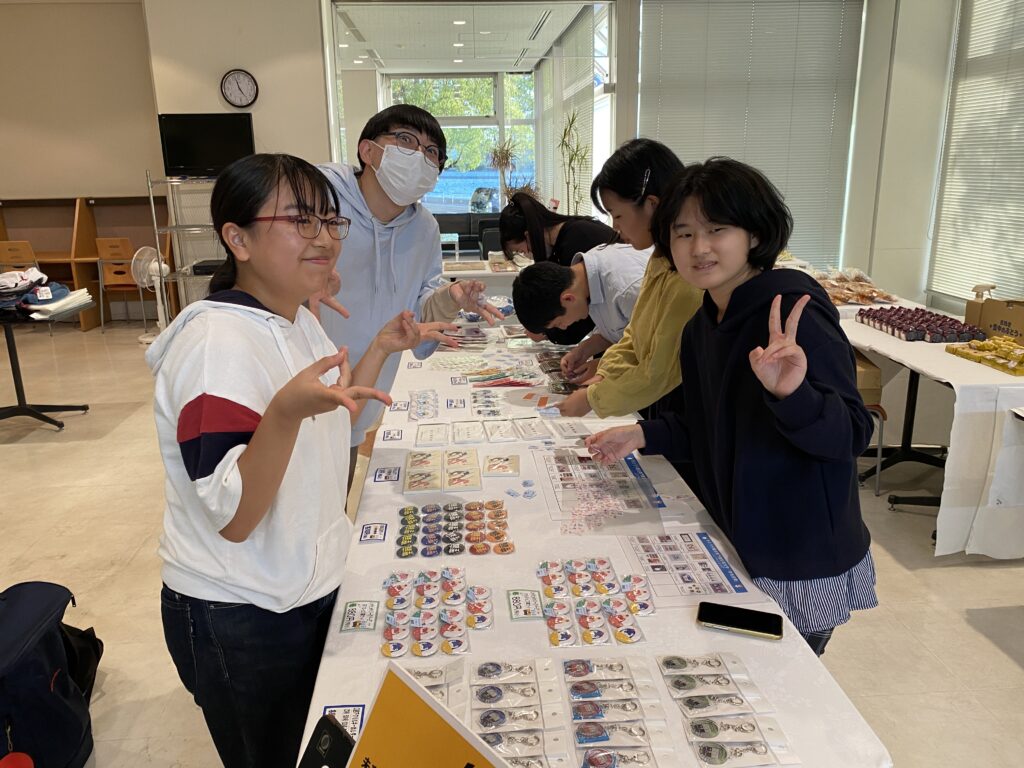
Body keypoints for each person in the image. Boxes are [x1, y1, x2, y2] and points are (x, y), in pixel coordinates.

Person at [147, 154, 451, 767]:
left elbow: (339, 425)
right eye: (299, 220)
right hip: (241, 608)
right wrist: (283, 414)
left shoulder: (296, 322)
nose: (324, 238)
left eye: (330, 221)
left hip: (302, 586)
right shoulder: (215, 343)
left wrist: (380, 349)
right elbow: (235, 516)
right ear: (238, 239)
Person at [585, 157, 877, 655]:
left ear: (755, 235)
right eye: (683, 233)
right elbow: (705, 424)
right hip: (736, 540)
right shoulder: (702, 326)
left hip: (797, 555)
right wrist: (643, 434)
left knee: (786, 678)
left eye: (717, 229)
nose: (699, 248)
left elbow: (851, 434)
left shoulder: (793, 313)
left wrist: (793, 395)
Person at [317, 105, 503, 471]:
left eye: (432, 152)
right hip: (300, 388)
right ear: (368, 150)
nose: (420, 156)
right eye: (405, 140)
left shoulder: (424, 228)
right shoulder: (321, 196)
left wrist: (449, 298)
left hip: (364, 393)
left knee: (338, 496)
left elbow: (417, 316)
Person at [555, 138, 703, 418]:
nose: (615, 227)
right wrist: (603, 375)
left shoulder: (688, 277)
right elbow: (635, 335)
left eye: (618, 215)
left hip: (687, 412)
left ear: (652, 205)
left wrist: (593, 399)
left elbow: (658, 371)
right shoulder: (660, 259)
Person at [498, 192, 615, 345]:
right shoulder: (561, 243)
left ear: (529, 235)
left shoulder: (577, 238)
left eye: (521, 250)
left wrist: (548, 332)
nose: (526, 254)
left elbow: (580, 314)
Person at [511, 242, 650, 367]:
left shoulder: (628, 291)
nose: (564, 327)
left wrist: (602, 368)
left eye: (559, 323)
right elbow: (616, 330)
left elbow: (653, 354)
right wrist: (583, 351)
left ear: (568, 299)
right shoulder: (586, 278)